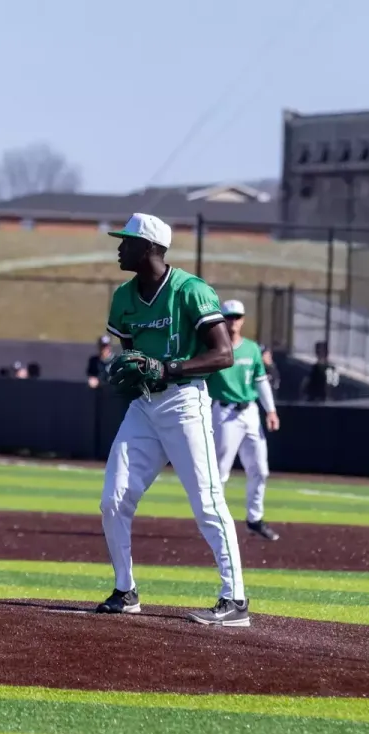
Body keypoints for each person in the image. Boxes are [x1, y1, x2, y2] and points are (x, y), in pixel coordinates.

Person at [97, 212, 249, 627]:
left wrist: (167, 369)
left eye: (126, 241)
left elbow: (223, 355)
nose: (119, 246)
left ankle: (234, 600)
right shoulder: (123, 297)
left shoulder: (190, 290)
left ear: (149, 247)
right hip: (144, 408)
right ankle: (125, 590)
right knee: (113, 499)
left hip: (184, 403)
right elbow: (130, 355)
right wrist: (129, 372)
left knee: (207, 501)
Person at [207, 299, 282, 541]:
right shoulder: (213, 348)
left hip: (249, 412)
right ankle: (213, 520)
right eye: (228, 317)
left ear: (243, 319)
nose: (233, 321)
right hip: (224, 412)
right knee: (219, 472)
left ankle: (254, 519)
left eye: (237, 316)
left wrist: (270, 410)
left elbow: (260, 381)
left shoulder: (251, 349)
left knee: (260, 468)